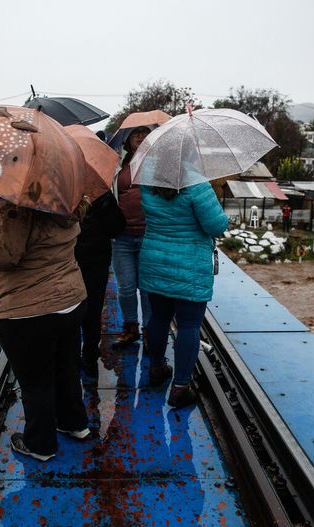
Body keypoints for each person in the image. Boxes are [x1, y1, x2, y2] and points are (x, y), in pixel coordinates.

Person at [0, 198, 91, 462]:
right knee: (67, 368)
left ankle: (40, 445)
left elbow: (0, 254)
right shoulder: (67, 200)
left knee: (36, 382)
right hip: (70, 301)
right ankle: (75, 423)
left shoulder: (16, 207)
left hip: (27, 311)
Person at [140, 176, 228, 408]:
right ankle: (180, 388)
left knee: (159, 318)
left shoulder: (148, 183)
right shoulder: (197, 184)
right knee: (189, 325)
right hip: (190, 267)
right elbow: (217, 226)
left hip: (155, 261)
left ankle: (157, 368)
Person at [75, 192, 126, 377]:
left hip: (65, 260)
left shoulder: (55, 189)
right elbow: (116, 227)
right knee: (93, 309)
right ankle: (89, 355)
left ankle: (70, 357)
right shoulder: (100, 192)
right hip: (95, 260)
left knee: (67, 309)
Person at [112, 126, 152, 348]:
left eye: (145, 133)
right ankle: (130, 328)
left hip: (149, 235)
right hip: (122, 237)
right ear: (127, 139)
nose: (140, 136)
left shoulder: (157, 162)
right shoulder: (118, 164)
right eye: (136, 133)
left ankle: (149, 330)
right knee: (126, 287)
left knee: (147, 288)